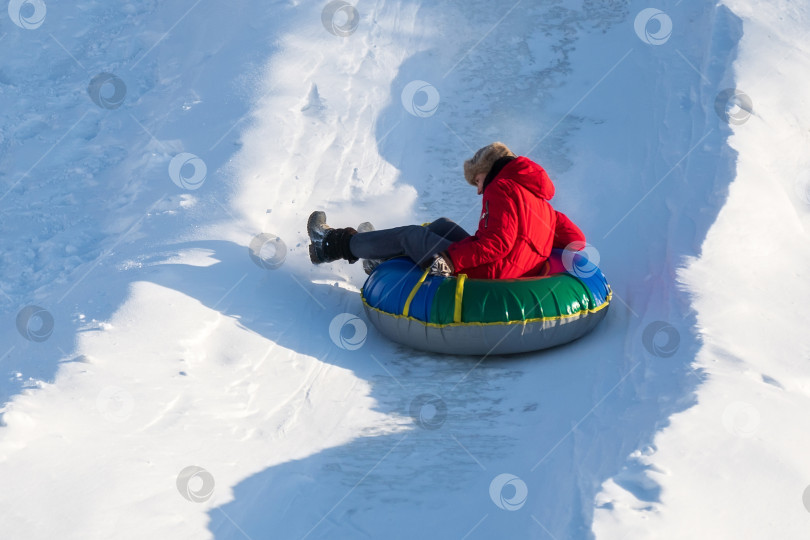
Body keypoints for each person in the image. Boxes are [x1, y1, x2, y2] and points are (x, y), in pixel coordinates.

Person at [307, 142, 586, 279]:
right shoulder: (542, 203)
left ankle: (331, 245)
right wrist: (536, 253)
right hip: (514, 269)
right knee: (443, 226)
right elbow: (576, 240)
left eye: (477, 181)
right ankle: (377, 255)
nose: (478, 190)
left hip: (493, 273)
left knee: (412, 236)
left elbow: (497, 243)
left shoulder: (499, 188)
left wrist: (452, 261)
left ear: (488, 171)